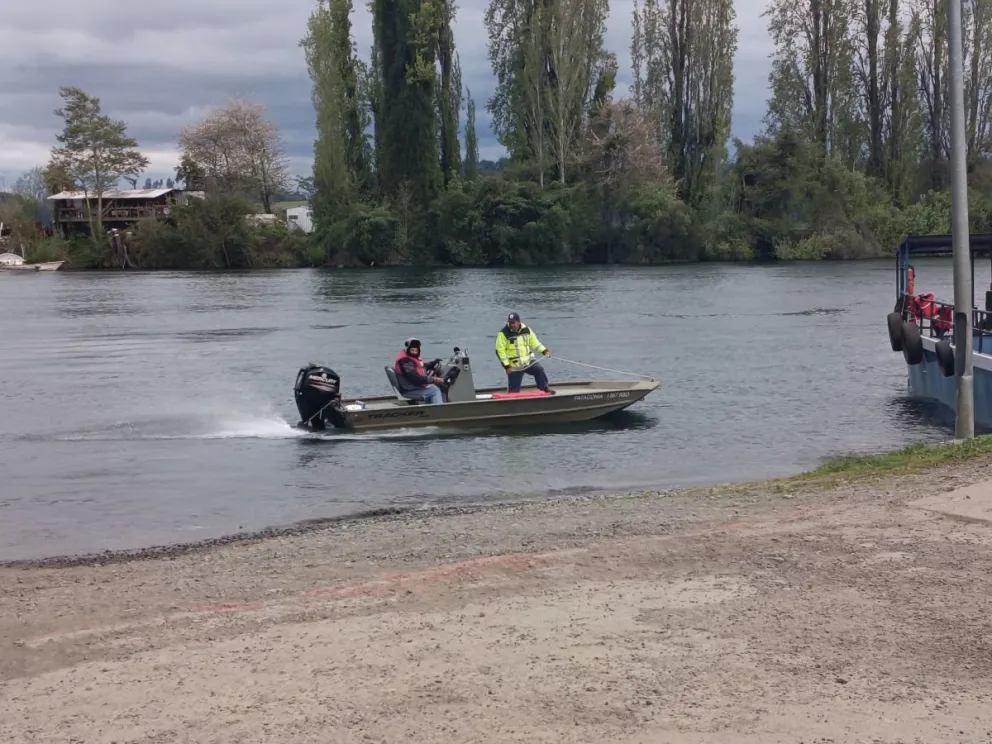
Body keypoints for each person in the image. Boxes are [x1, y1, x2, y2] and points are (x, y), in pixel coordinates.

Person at [495, 312, 555, 394]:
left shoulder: (527, 330)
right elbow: (500, 351)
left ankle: (544, 389)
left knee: (539, 370)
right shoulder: (503, 334)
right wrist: (506, 367)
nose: (512, 324)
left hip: (528, 361)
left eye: (513, 322)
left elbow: (535, 343)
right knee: (513, 392)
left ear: (519, 322)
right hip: (514, 365)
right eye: (510, 322)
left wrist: (544, 351)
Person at [393, 338, 445, 404]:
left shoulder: (409, 359)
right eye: (412, 350)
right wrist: (434, 379)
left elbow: (420, 367)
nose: (414, 352)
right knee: (434, 390)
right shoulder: (405, 361)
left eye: (416, 350)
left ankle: (430, 410)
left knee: (432, 387)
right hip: (409, 389)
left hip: (410, 386)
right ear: (408, 349)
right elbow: (415, 378)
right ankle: (440, 410)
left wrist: (432, 363)